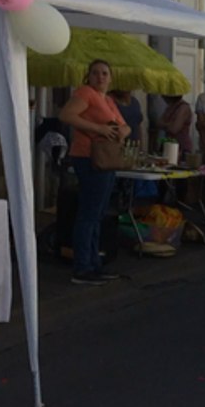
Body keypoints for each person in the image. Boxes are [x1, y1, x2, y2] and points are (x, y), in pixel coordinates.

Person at [58, 59, 130, 285]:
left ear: (110, 78)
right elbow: (67, 116)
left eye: (105, 73)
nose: (100, 77)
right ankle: (82, 267)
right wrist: (98, 128)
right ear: (88, 76)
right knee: (88, 213)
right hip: (88, 156)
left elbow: (125, 125)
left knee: (97, 213)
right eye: (96, 73)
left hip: (106, 158)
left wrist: (121, 132)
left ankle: (94, 263)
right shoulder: (85, 93)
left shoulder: (107, 99)